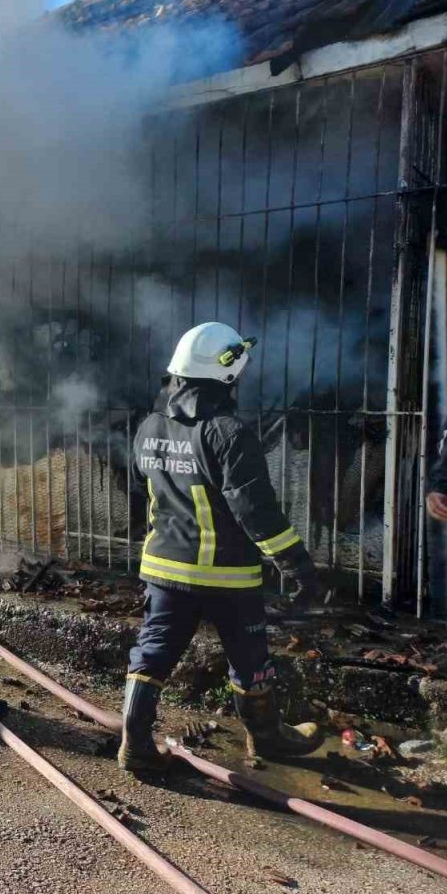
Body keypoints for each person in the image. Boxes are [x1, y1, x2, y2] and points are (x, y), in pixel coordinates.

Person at [119, 321, 324, 773]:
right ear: (227, 373)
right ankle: (266, 739)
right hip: (226, 573)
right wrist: (296, 565)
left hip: (164, 567)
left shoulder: (148, 426)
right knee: (250, 658)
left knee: (152, 653)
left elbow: (142, 489)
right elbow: (256, 510)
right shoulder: (229, 432)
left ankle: (135, 745)